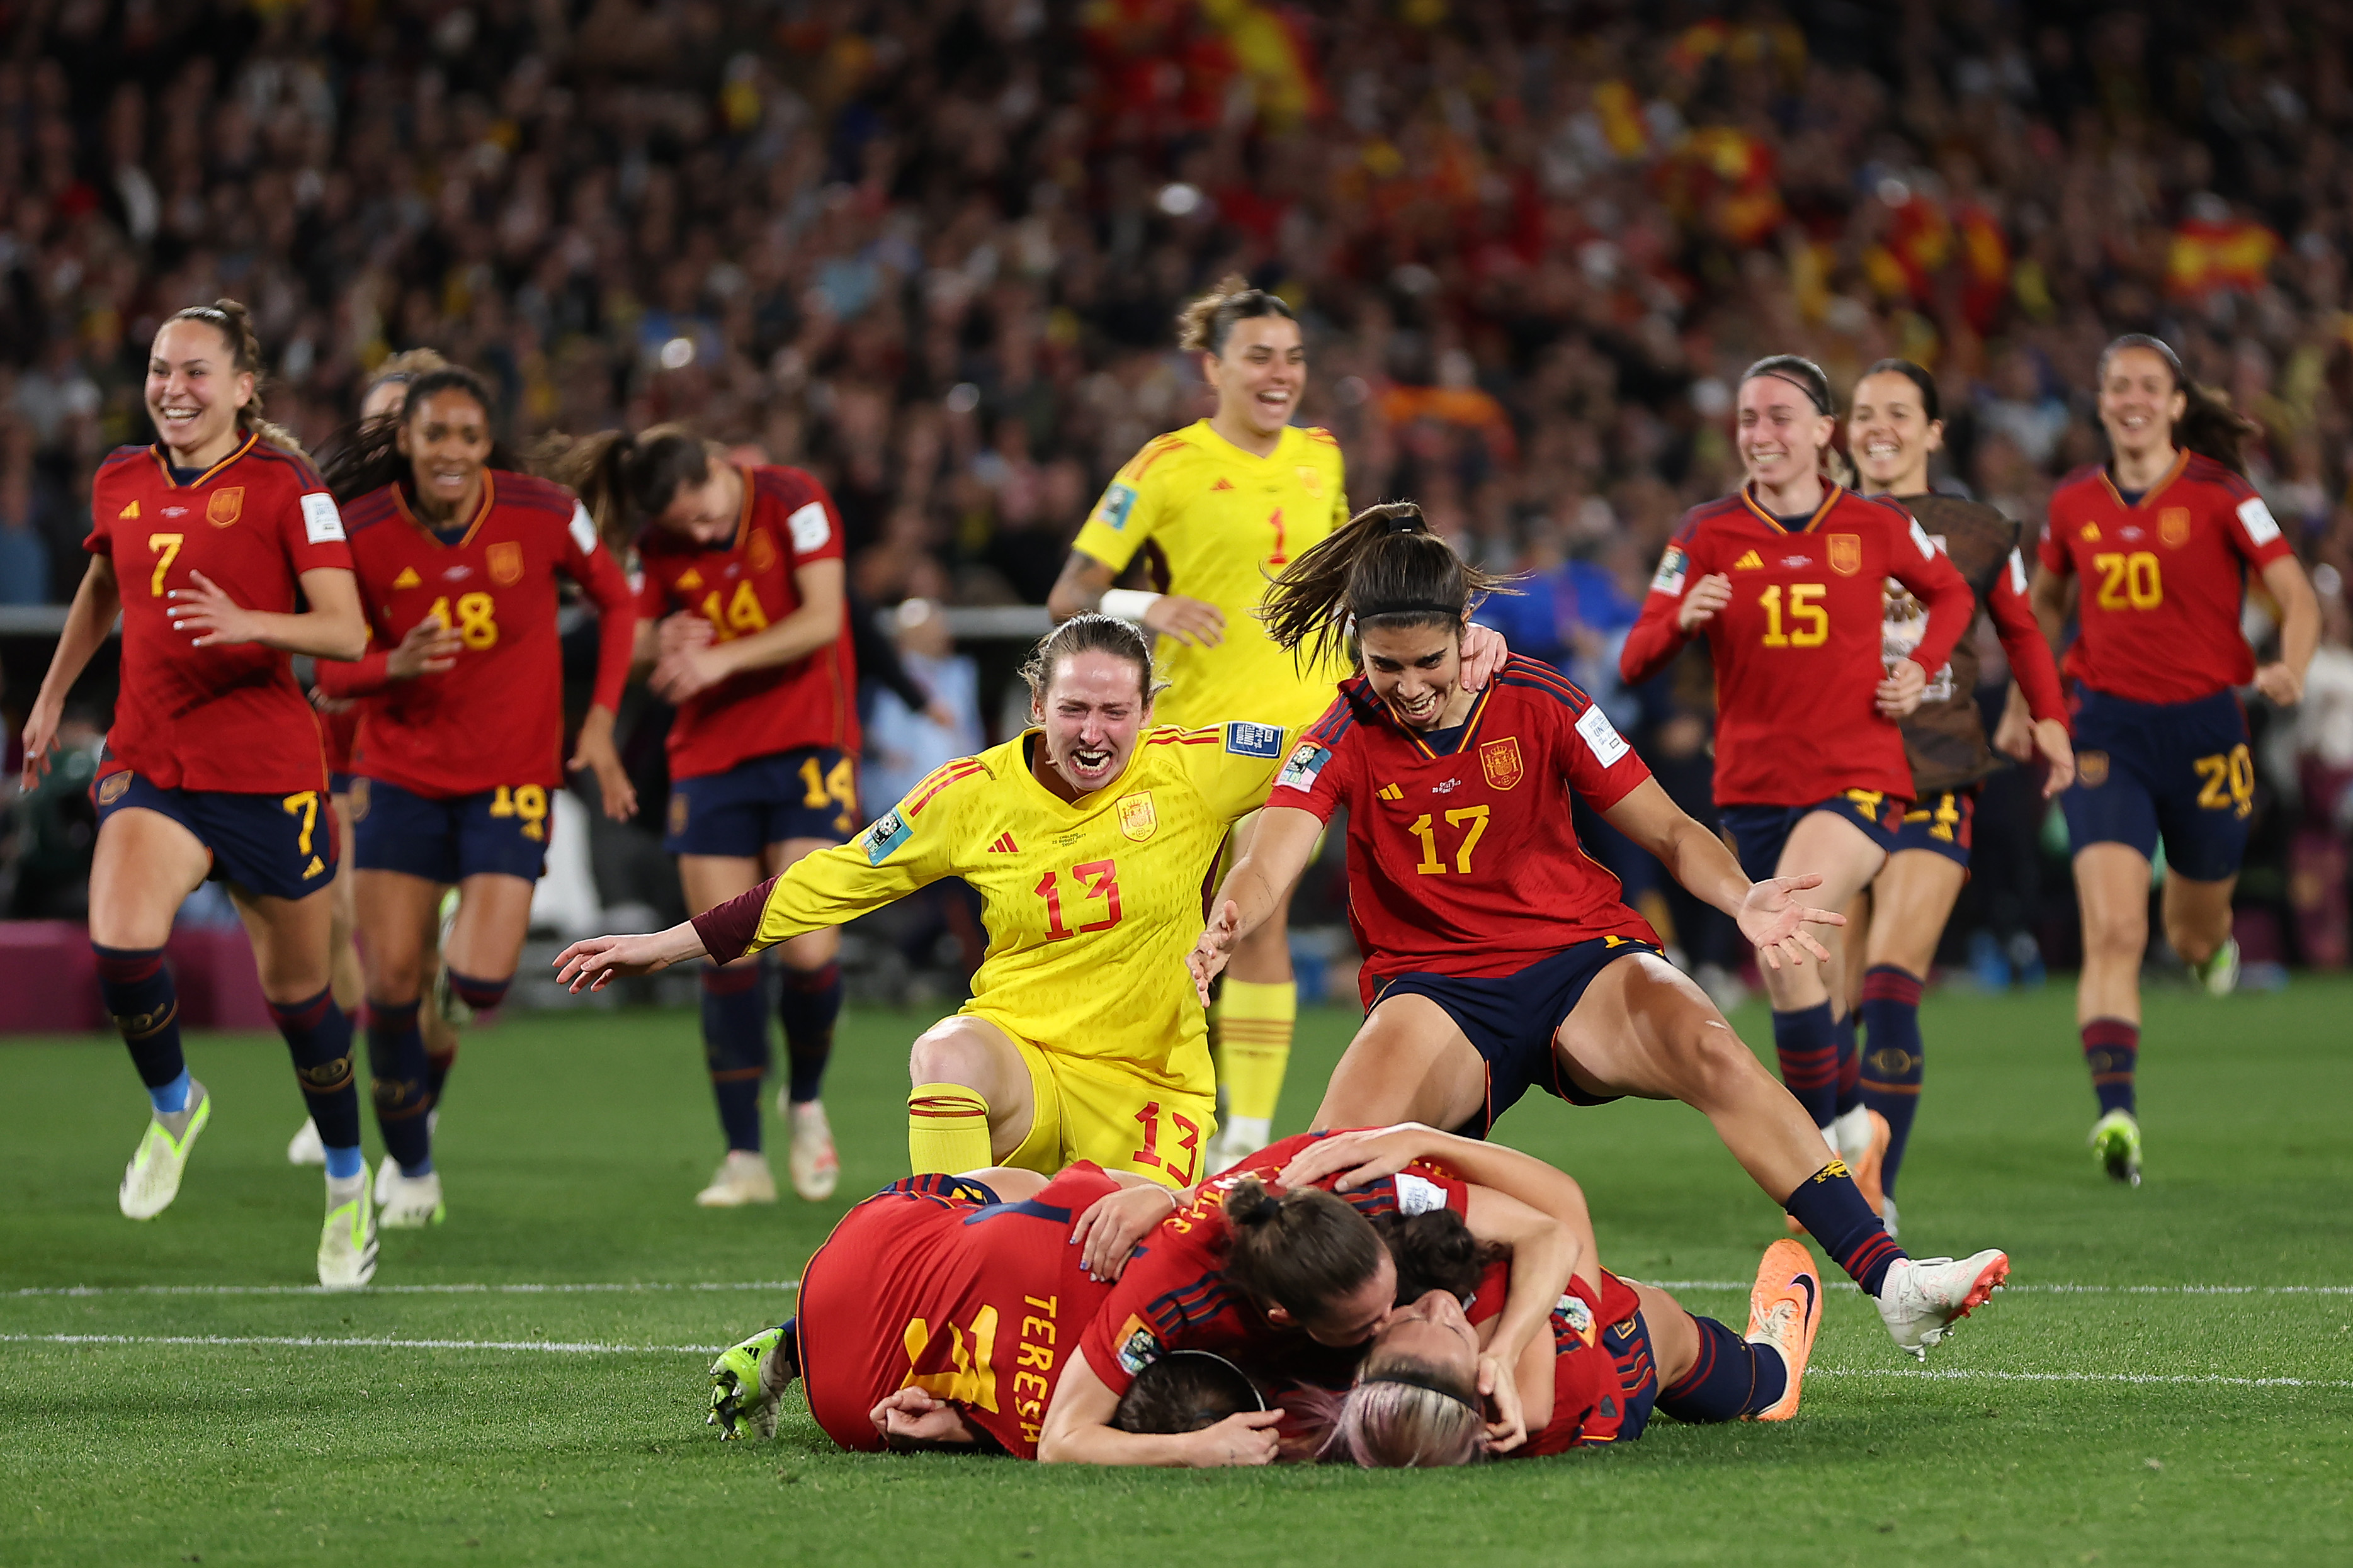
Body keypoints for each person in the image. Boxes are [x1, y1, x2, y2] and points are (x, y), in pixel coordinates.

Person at [1195, 500, 2005, 1358]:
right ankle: (1244, 1346)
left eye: (1427, 660)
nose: (1408, 686)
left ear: (1468, 630)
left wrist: (1741, 898)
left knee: (1711, 1047)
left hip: (1576, 957)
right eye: (1383, 664)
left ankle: (1893, 1281)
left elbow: (1669, 829)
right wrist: (1233, 914)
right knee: (1334, 1163)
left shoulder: (1540, 696)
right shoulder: (1343, 731)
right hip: (1435, 988)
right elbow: (1271, 852)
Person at [555, 614, 1364, 1188]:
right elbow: (831, 879)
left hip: (1153, 1083)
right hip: (1024, 1065)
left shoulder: (1198, 765)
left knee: (1113, 1282)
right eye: (1074, 708)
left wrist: (1472, 651)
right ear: (1036, 705)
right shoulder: (966, 795)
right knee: (943, 1055)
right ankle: (934, 1271)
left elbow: (1340, 730)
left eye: (1116, 711)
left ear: (1148, 713)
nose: (1093, 732)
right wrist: (670, 943)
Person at [1046, 277, 1505, 1171]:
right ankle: (1162, 1115)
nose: (1280, 374)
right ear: (1211, 366)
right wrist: (1151, 599)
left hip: (1298, 734)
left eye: (1293, 358)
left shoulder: (1320, 457)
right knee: (1174, 936)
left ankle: (1247, 1135)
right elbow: (1069, 592)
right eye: (1259, 356)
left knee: (1258, 914)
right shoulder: (1162, 466)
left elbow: (1346, 582)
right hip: (1186, 745)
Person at [16, 300, 378, 1287]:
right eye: (160, 369)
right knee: (120, 943)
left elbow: (345, 632)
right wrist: (52, 694)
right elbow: (104, 586)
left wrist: (252, 620)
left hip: (266, 775)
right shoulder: (121, 478)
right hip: (153, 760)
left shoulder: (286, 486)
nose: (174, 387)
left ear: (244, 386)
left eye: (197, 372)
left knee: (300, 1000)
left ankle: (349, 1181)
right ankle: (176, 1103)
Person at [1619, 355, 1976, 1193]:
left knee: (1780, 943)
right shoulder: (1705, 531)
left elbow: (1951, 594)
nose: (1760, 433)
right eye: (1747, 418)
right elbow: (1636, 658)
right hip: (1749, 790)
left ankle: (1834, 1166)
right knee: (1795, 974)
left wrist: (1921, 665)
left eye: (1780, 416)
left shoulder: (1874, 522)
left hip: (1857, 778)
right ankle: (1852, 1133)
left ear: (1824, 432)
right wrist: (1681, 618)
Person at [312, 364, 638, 1226]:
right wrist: (394, 665)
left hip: (509, 778)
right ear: (408, 444)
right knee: (388, 983)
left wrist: (598, 722)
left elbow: (617, 598)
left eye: (467, 435)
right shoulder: (359, 527)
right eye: (434, 436)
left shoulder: (543, 511)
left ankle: (457, 984)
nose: (452, 451)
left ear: (486, 441)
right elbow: (329, 664)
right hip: (399, 776)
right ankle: (412, 1166)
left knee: (480, 987)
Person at [2028, 334, 2319, 1185]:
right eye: (2117, 384)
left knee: (2190, 929)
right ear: (2100, 397)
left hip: (2205, 733)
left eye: (2147, 386)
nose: (2131, 398)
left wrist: (2290, 666)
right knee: (2113, 930)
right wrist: (2029, 691)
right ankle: (2115, 1110)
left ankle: (2208, 947)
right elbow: (2046, 597)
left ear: (2177, 402)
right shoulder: (2073, 501)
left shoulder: (2224, 493)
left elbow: (2295, 593)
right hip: (2104, 730)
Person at [543, 425, 860, 1206]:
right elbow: (630, 631)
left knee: (810, 950)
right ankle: (743, 1157)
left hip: (807, 745)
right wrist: (662, 640)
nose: (704, 535)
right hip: (710, 757)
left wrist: (721, 655)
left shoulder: (794, 499)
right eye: (685, 528)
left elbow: (823, 618)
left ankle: (806, 1098)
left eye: (709, 515)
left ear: (720, 468)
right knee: (729, 952)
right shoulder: (658, 539)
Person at [1838, 359, 2076, 1234]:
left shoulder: (1977, 531)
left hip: (1936, 775)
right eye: (1864, 410)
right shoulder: (1807, 523)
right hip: (1827, 779)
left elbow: (2021, 630)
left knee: (1894, 985)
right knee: (1830, 1010)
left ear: (1933, 431)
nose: (1880, 425)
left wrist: (2047, 718)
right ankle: (1834, 1161)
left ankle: (1877, 1191)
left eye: (1899, 411)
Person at [1276, 1124, 1823, 1463]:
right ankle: (1769, 1375)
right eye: (1451, 1328)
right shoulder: (1541, 1380)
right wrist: (1422, 1137)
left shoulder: (1373, 1407)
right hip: (1609, 1380)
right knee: (1648, 1312)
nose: (1438, 1304)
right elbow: (1561, 1208)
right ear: (1485, 1379)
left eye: (1404, 1318)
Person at [1036, 1130, 1582, 1465]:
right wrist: (1187, 1449)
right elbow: (1061, 1440)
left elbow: (1552, 1229)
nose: (1391, 1321)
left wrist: (1502, 1353)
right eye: (1364, 1325)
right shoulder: (1166, 1291)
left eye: (1391, 1296)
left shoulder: (1366, 1187)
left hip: (1316, 1151)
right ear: (1285, 1317)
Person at [286, 351, 461, 1171]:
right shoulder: (326, 507)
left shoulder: (455, 518)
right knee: (321, 927)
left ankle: (412, 1112)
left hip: (410, 748)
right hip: (322, 740)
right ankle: (365, 1089)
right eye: (383, 416)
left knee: (404, 956)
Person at [704, 1161, 1157, 1454]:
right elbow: (1064, 1444)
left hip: (867, 1248)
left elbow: (1107, 1192)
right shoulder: (1073, 1412)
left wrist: (1165, 1195)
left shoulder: (1089, 1218)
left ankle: (789, 1342)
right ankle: (793, 1345)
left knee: (1020, 1188)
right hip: (864, 1412)